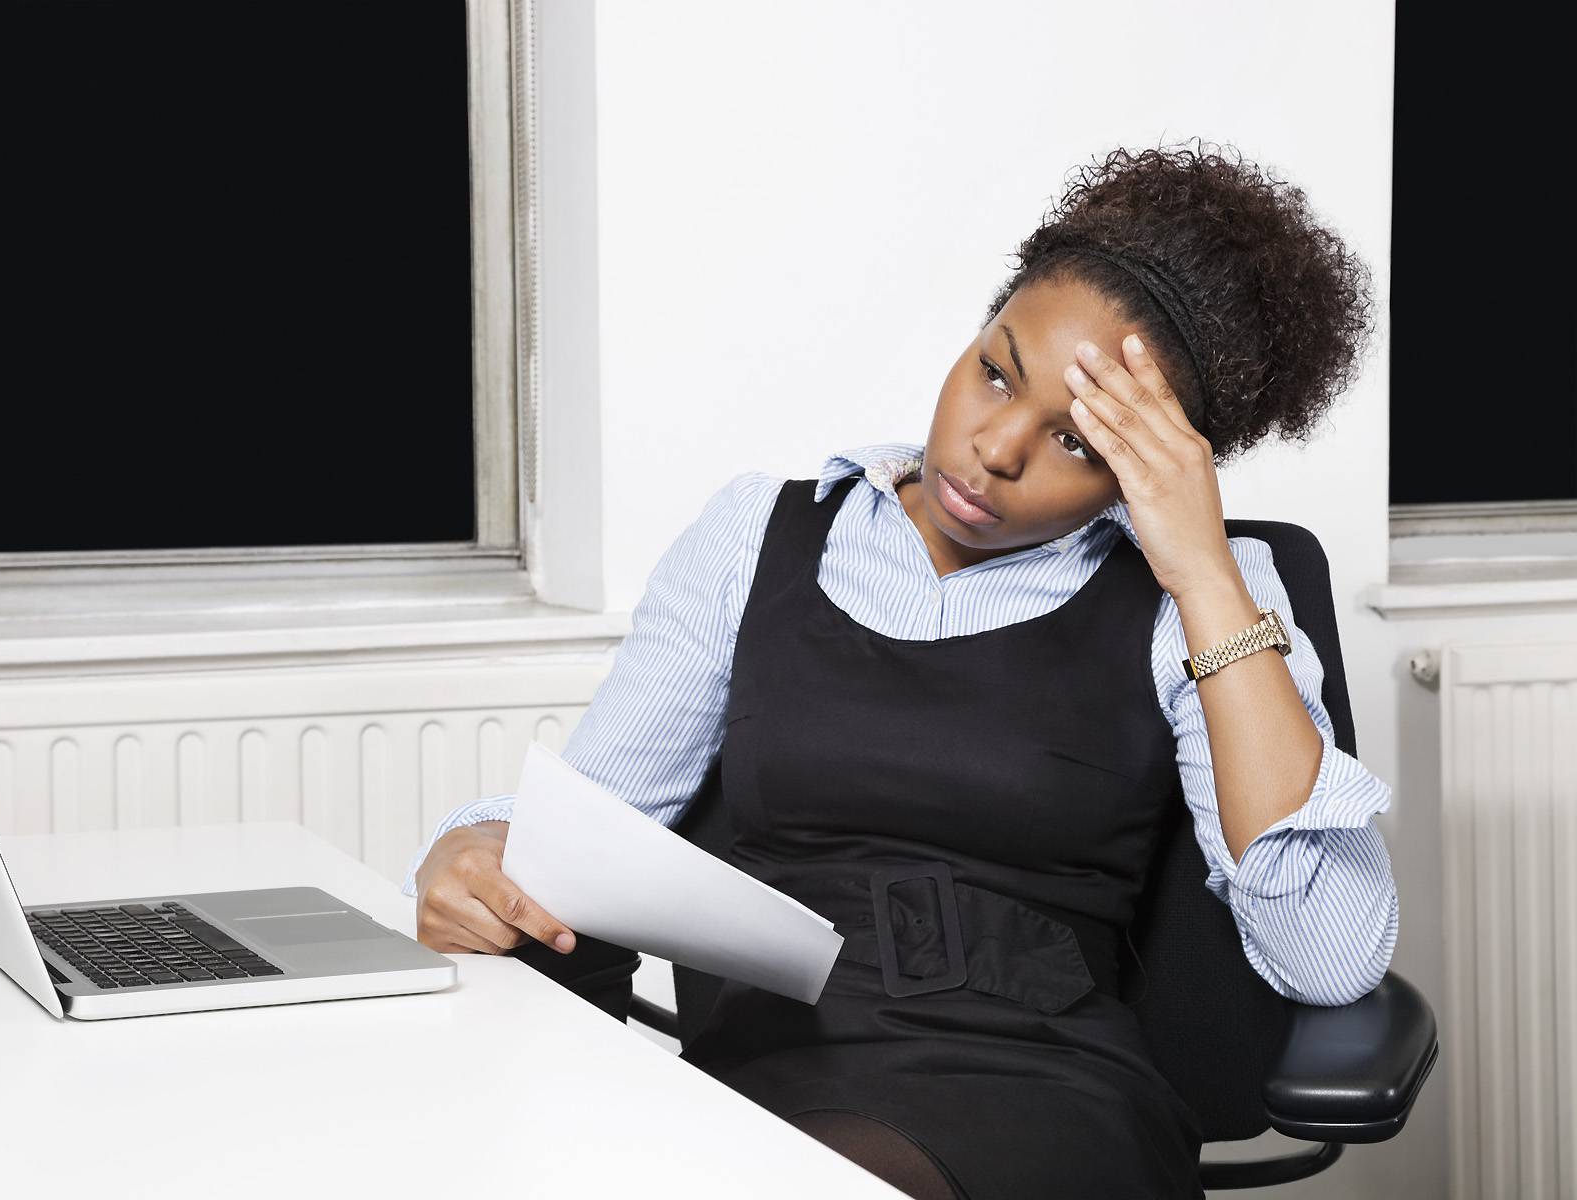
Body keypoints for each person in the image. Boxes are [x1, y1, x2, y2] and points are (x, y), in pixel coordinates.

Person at [405, 139, 1397, 1200]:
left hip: (1040, 1098)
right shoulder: (760, 536)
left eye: (1078, 443)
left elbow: (1328, 956)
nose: (994, 450)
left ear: (1160, 466)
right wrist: (475, 849)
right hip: (764, 1090)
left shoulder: (1203, 597)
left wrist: (1200, 572)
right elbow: (590, 822)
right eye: (995, 372)